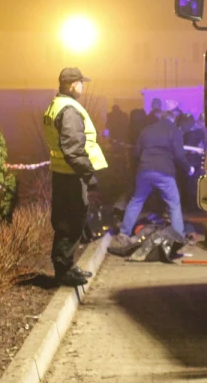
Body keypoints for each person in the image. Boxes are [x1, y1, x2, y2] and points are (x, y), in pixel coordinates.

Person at [43, 67, 108, 286]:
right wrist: (88, 174)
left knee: (65, 221)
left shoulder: (56, 105)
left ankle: (66, 265)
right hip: (72, 175)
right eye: (81, 83)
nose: (82, 86)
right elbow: (73, 149)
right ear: (73, 84)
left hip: (62, 173)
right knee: (71, 222)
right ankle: (64, 270)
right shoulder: (69, 109)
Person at [118, 110, 187, 240]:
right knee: (174, 203)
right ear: (173, 119)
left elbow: (136, 153)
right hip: (164, 172)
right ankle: (178, 236)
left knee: (137, 201)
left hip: (145, 170)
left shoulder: (146, 130)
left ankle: (124, 232)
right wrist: (189, 169)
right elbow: (180, 155)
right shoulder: (174, 130)